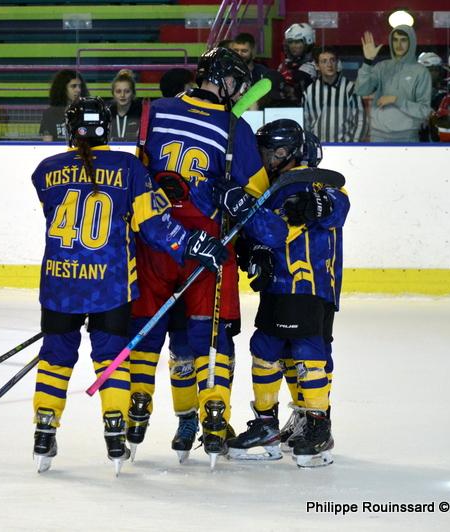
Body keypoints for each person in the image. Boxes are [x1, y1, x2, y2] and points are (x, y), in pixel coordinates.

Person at [29, 97, 228, 474]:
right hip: (110, 286)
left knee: (55, 359)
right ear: (109, 127)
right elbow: (153, 226)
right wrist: (193, 243)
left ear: (69, 130)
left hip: (59, 285)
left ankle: (44, 429)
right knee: (111, 358)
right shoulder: (129, 167)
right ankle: (115, 431)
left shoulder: (44, 171)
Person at [126, 47, 269, 466]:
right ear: (224, 79)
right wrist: (255, 241)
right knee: (209, 337)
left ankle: (139, 412)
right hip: (208, 247)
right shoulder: (234, 129)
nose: (241, 90)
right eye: (238, 82)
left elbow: (140, 177)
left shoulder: (155, 110)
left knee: (150, 332)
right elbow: (253, 199)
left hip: (155, 241)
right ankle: (212, 416)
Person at [226, 119, 349, 467]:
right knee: (264, 348)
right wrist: (251, 251)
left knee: (308, 353)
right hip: (280, 286)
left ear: (286, 152)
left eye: (269, 152)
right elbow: (261, 238)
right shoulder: (276, 184)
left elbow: (278, 230)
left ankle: (318, 427)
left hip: (308, 286)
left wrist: (241, 208)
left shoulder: (310, 184)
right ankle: (267, 425)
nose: (263, 157)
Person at [355, 25, 431, 142]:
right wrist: (367, 61)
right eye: (395, 40)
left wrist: (396, 100)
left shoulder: (421, 72)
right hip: (378, 135)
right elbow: (361, 90)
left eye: (403, 40)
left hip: (407, 137)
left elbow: (424, 111)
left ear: (411, 42)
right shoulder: (381, 67)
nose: (398, 44)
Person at [303, 48, 365, 142]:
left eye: (332, 60)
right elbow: (305, 123)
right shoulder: (309, 91)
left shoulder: (350, 89)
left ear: (337, 63)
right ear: (317, 66)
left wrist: (353, 146)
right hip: (318, 149)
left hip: (345, 149)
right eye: (324, 61)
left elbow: (361, 121)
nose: (329, 65)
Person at [39, 69, 89, 142]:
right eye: (73, 86)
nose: (78, 90)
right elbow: (47, 145)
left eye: (80, 86)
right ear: (62, 89)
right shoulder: (49, 114)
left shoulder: (87, 112)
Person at [278, 23, 317, 105]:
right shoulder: (283, 66)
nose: (293, 46)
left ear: (308, 42)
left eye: (297, 42)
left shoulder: (316, 66)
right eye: (290, 42)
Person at [108, 69, 143, 142]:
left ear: (133, 93)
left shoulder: (141, 112)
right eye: (118, 91)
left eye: (127, 91)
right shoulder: (107, 112)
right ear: (113, 93)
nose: (122, 95)